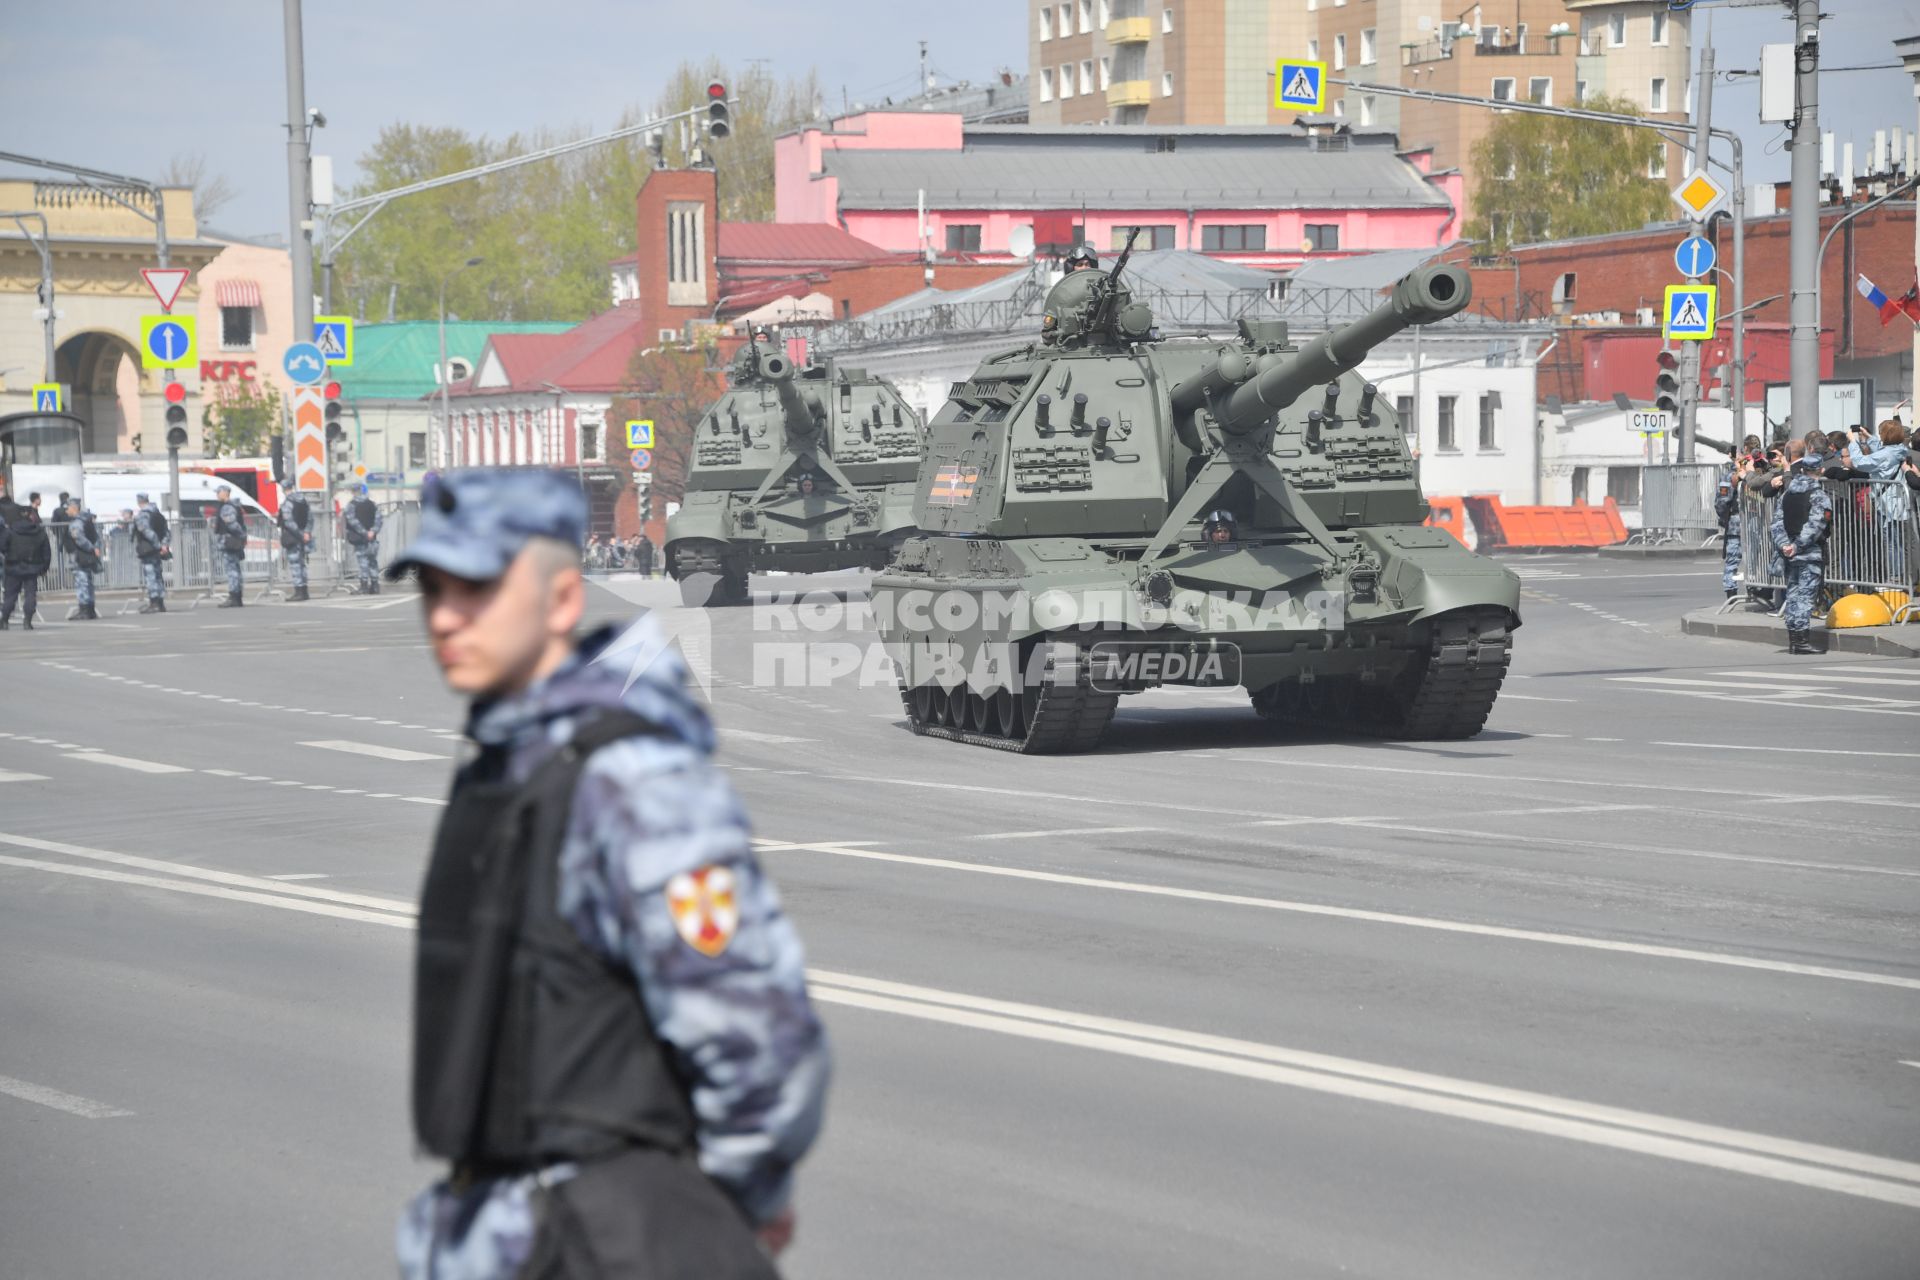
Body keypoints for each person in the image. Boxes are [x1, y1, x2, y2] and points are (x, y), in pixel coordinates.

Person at [391, 469, 828, 1280]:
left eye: (479, 587)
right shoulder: (511, 762)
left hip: (614, 1242)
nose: (445, 615)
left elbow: (758, 1040)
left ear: (562, 601)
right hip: (516, 1234)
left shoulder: (630, 780)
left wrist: (720, 1209)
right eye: (433, 586)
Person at [1770, 440, 1832, 656]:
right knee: (1805, 597)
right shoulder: (1819, 496)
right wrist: (1796, 546)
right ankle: (1802, 642)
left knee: (1793, 595)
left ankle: (1794, 641)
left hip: (1788, 554)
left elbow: (1776, 523)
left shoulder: (1788, 493)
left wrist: (1785, 545)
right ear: (1821, 470)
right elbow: (1815, 527)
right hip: (1807, 554)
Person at [1845, 419, 1914, 585]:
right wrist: (1869, 437)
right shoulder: (1899, 450)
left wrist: (1853, 442)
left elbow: (1860, 462)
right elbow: (1882, 451)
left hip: (1888, 506)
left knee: (1891, 542)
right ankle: (1897, 577)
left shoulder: (1887, 454)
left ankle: (1895, 578)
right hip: (1895, 503)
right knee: (1895, 542)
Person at [1, 499, 51, 630]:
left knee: (10, 595)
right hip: (32, 567)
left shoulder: (10, 530)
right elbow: (46, 551)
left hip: (13, 566)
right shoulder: (39, 531)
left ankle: (4, 620)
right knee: (30, 595)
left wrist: (8, 554)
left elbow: (2, 546)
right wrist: (44, 567)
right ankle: (27, 621)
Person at [62, 498, 102, 621]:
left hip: (81, 556)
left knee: (82, 583)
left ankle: (84, 610)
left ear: (74, 508)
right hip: (88, 556)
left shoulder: (76, 523)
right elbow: (96, 537)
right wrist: (95, 548)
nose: (66, 511)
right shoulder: (86, 520)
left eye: (67, 508)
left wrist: (91, 548)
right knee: (88, 582)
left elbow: (79, 538)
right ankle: (90, 609)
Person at [133, 494, 171, 614]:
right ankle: (160, 602)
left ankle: (154, 602)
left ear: (139, 502)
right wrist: (164, 545)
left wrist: (158, 545)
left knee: (151, 576)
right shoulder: (158, 514)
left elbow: (146, 532)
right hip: (157, 549)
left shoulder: (143, 515)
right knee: (158, 575)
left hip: (149, 548)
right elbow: (166, 532)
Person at [343, 484, 384, 594]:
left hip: (360, 538)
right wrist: (373, 531)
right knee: (373, 562)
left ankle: (364, 587)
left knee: (363, 562)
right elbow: (379, 519)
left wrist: (364, 533)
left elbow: (352, 521)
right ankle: (375, 587)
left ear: (353, 492)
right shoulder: (372, 504)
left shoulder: (351, 505)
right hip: (373, 538)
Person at [214, 485, 250, 608]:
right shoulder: (235, 506)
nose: (217, 494)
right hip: (233, 541)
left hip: (229, 541)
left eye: (219, 492)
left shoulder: (227, 507)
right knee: (235, 570)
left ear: (225, 493)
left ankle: (234, 596)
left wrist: (241, 535)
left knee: (232, 570)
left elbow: (232, 525)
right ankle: (237, 596)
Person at [277, 487, 314, 602]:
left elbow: (289, 522)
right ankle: (304, 591)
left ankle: (299, 592)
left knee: (295, 565)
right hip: (303, 537)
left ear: (284, 489)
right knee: (302, 565)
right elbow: (310, 518)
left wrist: (300, 534)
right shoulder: (303, 501)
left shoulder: (288, 503)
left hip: (293, 537)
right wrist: (306, 532)